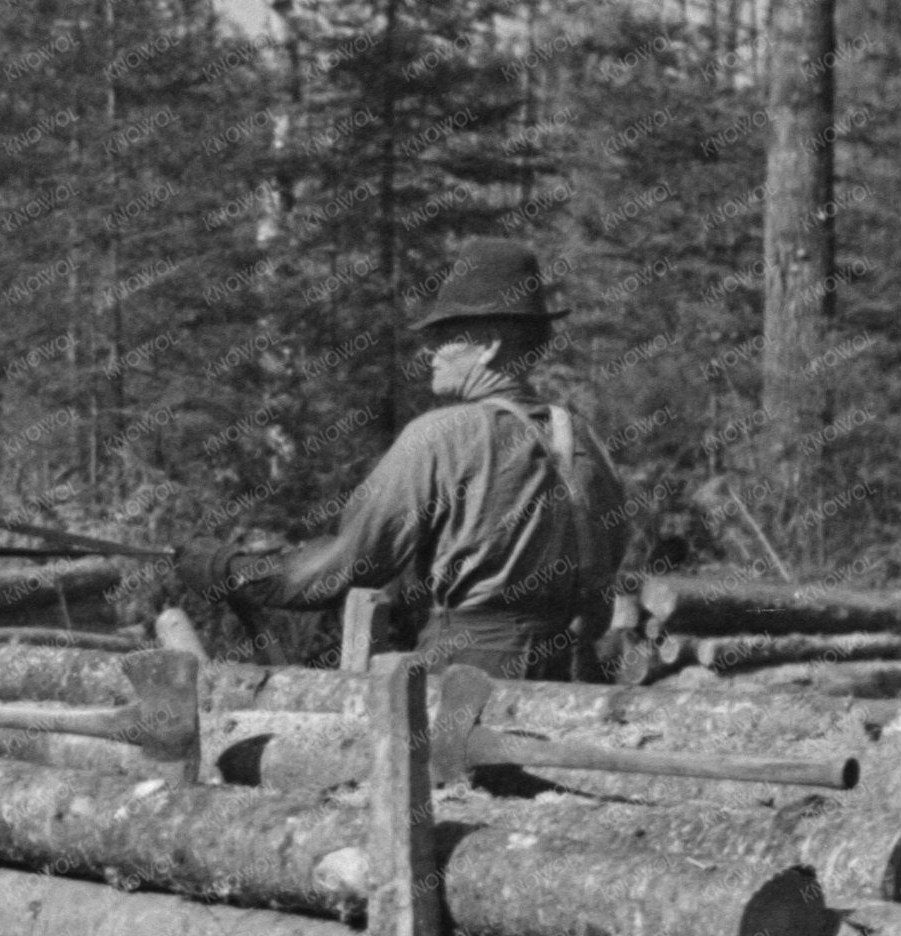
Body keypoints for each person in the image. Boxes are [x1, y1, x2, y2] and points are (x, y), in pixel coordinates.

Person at [224, 238, 632, 680]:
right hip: (573, 676)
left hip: (470, 672)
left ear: (490, 346)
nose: (429, 352)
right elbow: (611, 549)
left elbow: (347, 567)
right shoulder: (580, 434)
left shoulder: (441, 435)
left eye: (444, 338)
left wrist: (233, 570)